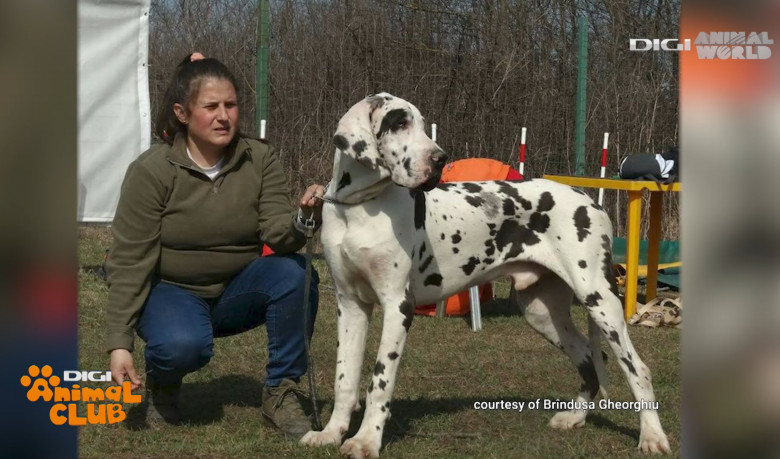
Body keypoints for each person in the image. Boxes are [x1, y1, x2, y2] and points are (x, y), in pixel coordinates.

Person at [105, 52, 324, 440]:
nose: (224, 116)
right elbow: (129, 260)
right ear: (183, 113)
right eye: (211, 106)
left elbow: (278, 233)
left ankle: (281, 391)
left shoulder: (259, 158)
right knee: (183, 344)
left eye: (231, 104)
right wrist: (119, 344)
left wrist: (303, 217)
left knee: (296, 273)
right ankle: (165, 380)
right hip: (170, 291)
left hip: (237, 290)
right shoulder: (152, 170)